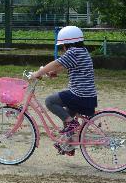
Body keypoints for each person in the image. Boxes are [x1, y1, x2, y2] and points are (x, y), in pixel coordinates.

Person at [30, 26, 98, 155]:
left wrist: (38, 72)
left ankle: (72, 128)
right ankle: (69, 144)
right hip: (87, 96)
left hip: (80, 95)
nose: (63, 48)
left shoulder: (73, 52)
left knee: (50, 101)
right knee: (66, 114)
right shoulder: (82, 51)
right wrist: (54, 72)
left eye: (63, 46)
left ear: (68, 44)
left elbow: (57, 63)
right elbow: (65, 65)